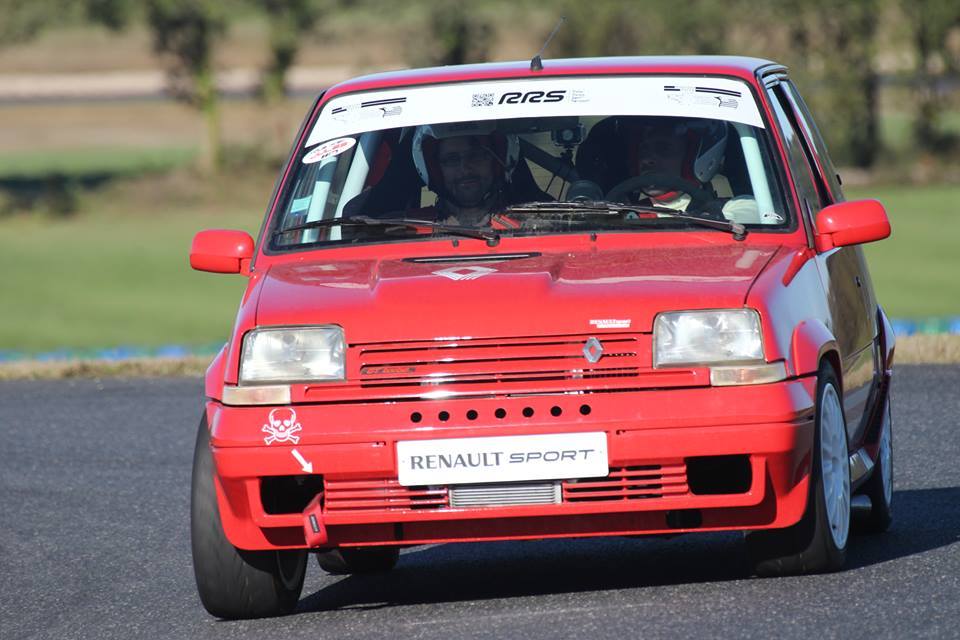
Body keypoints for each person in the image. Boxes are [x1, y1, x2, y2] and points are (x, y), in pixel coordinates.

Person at [411, 122, 521, 227]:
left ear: (496, 162)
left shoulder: (527, 225)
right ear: (435, 169)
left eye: (476, 156)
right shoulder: (411, 230)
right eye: (451, 159)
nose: (465, 169)